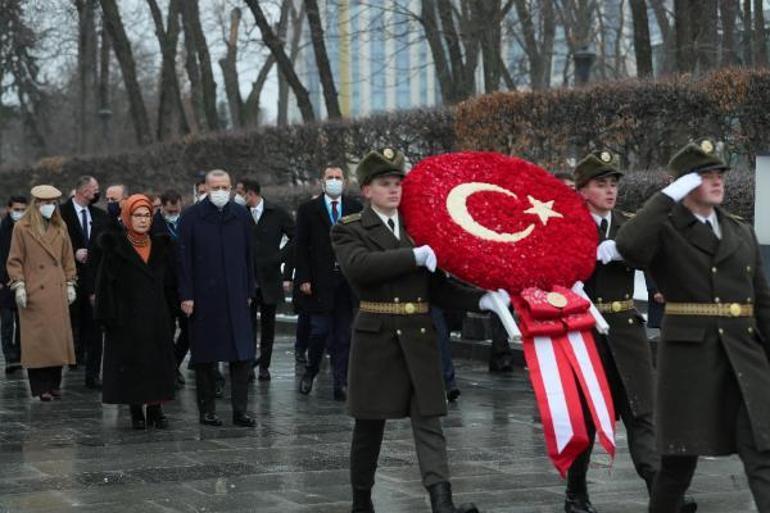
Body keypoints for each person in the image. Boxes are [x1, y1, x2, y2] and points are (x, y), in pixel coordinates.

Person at [331, 148, 509, 513]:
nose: (394, 190)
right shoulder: (349, 229)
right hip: (377, 336)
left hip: (419, 335)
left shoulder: (418, 228)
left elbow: (437, 288)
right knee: (369, 427)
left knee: (430, 422)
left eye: (398, 183)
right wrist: (412, 256)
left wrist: (481, 301)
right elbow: (359, 267)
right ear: (366, 190)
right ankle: (361, 502)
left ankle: (442, 503)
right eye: (384, 184)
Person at [616, 138, 770, 513]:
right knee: (677, 464)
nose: (717, 181)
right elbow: (630, 246)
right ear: (684, 184)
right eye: (705, 175)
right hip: (691, 362)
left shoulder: (739, 231)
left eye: (719, 174)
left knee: (762, 452)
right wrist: (665, 197)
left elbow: (762, 301)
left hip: (744, 359)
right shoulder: (665, 229)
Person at [567, 150, 683, 513]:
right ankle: (576, 495)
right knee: (586, 419)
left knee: (642, 414)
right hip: (584, 330)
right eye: (601, 184)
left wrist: (626, 252)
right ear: (582, 190)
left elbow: (652, 252)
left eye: (614, 184)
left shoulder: (628, 224)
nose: (610, 190)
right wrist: (580, 269)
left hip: (625, 330)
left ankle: (662, 495)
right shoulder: (567, 226)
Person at [178, 169, 257, 427]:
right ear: (206, 188)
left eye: (225, 187)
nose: (221, 192)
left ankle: (240, 410)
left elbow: (249, 256)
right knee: (205, 357)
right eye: (215, 187)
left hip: (235, 295)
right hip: (204, 296)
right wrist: (186, 295)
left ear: (232, 187)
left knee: (241, 355)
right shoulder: (191, 217)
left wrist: (248, 290)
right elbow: (184, 260)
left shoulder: (241, 215)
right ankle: (207, 410)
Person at [95, 195, 177, 430]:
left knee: (156, 364)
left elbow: (170, 282)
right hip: (126, 317)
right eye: (137, 215)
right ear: (127, 217)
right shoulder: (115, 246)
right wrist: (106, 317)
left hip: (156, 315)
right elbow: (104, 285)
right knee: (132, 364)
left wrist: (175, 308)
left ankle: (155, 408)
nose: (143, 220)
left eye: (147, 215)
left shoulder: (161, 245)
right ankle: (135, 409)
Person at [295, 165, 363, 401]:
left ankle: (340, 382)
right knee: (320, 331)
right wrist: (303, 277)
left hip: (346, 281)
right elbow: (300, 246)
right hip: (319, 281)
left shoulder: (355, 207)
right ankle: (311, 370)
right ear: (322, 182)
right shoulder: (308, 210)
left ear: (344, 181)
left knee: (343, 335)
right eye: (330, 178)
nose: (334, 181)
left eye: (338, 177)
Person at [6, 185, 77, 401]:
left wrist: (70, 283)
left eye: (53, 203)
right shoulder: (22, 227)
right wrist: (18, 285)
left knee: (56, 342)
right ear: (36, 203)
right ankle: (40, 388)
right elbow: (15, 259)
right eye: (46, 203)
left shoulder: (60, 226)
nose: (50, 207)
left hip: (55, 290)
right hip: (34, 292)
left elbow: (68, 258)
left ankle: (54, 384)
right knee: (37, 343)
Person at [242, 178, 295, 381]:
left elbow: (295, 236)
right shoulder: (240, 215)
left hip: (270, 277)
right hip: (247, 277)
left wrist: (279, 258)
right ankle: (247, 364)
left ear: (251, 193)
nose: (238, 196)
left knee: (268, 325)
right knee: (247, 325)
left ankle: (264, 365)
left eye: (241, 192)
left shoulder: (276, 212)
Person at [60, 175, 108, 388]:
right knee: (69, 326)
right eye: (95, 188)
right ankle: (67, 364)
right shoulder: (60, 214)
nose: (97, 192)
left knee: (95, 328)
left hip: (93, 280)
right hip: (67, 279)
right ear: (83, 190)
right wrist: (73, 253)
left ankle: (92, 374)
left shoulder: (99, 215)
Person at [151, 190, 188, 386]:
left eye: (177, 209)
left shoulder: (188, 222)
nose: (174, 212)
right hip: (163, 286)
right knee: (166, 329)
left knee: (189, 329)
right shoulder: (154, 225)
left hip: (184, 285)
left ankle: (173, 363)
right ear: (162, 206)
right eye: (170, 209)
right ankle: (170, 369)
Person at [0, 195, 28, 374]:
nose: (19, 212)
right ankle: (10, 357)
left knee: (22, 320)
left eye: (22, 209)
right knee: (7, 322)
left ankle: (18, 355)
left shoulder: (26, 228)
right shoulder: (2, 229)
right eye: (16, 209)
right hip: (4, 282)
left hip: (22, 280)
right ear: (9, 209)